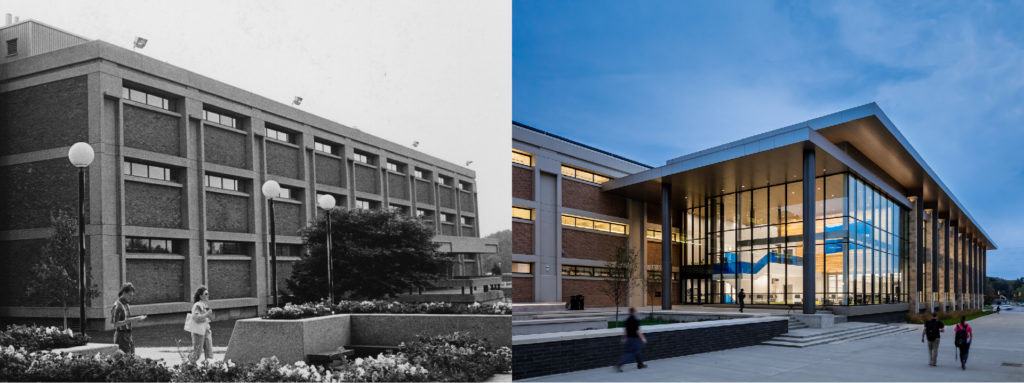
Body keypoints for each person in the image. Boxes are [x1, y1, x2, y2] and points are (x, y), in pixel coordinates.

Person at [110, 283, 146, 354]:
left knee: (132, 358)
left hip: (129, 335)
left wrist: (137, 319)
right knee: (125, 359)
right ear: (124, 293)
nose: (131, 297)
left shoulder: (126, 304)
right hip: (121, 336)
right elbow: (115, 324)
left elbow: (126, 320)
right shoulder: (118, 306)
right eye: (130, 295)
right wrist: (133, 319)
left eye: (132, 295)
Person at [615, 307, 647, 372]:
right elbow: (638, 331)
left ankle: (640, 364)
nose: (636, 312)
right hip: (634, 339)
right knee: (630, 353)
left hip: (628, 339)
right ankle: (619, 364)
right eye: (636, 311)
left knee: (637, 352)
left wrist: (623, 338)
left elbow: (625, 331)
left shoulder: (627, 320)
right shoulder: (635, 320)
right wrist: (643, 338)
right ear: (634, 312)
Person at [188, 286, 215, 363]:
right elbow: (196, 318)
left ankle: (210, 370)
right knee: (197, 354)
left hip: (206, 330)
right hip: (198, 331)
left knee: (210, 353)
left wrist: (210, 315)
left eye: (208, 293)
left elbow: (209, 318)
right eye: (206, 294)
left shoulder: (205, 305)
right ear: (200, 296)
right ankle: (188, 363)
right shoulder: (197, 305)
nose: (208, 295)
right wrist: (207, 314)